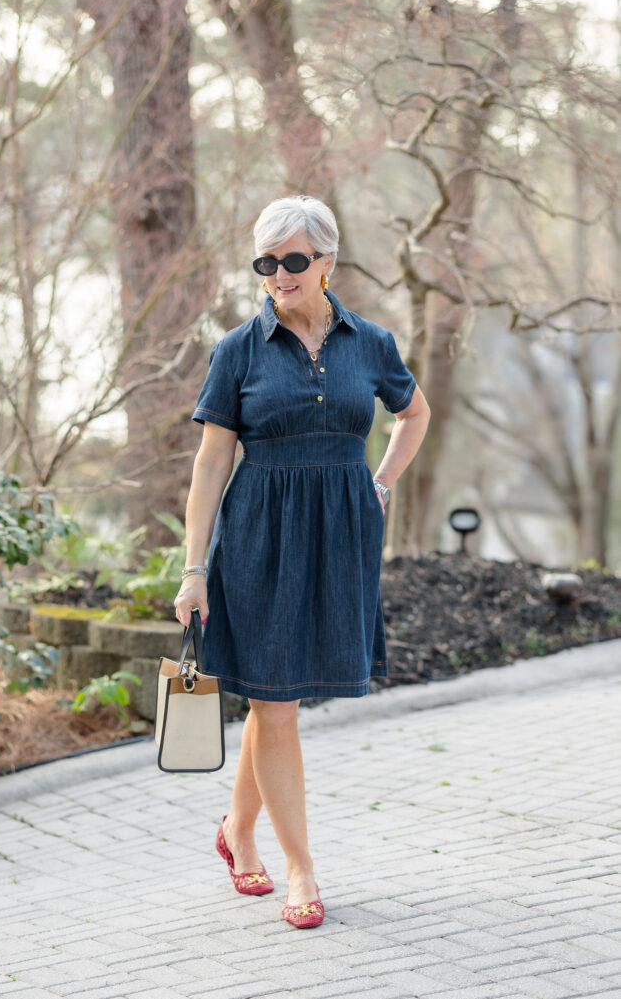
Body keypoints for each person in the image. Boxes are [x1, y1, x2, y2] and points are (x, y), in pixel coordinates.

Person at [174, 195, 430, 929]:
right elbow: (211, 462)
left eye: (293, 259)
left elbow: (413, 413)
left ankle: (235, 831)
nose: (278, 274)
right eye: (266, 261)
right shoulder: (238, 350)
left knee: (275, 697)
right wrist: (194, 568)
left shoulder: (370, 342)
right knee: (276, 702)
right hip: (259, 537)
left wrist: (382, 480)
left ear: (327, 262)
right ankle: (301, 868)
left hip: (340, 536)